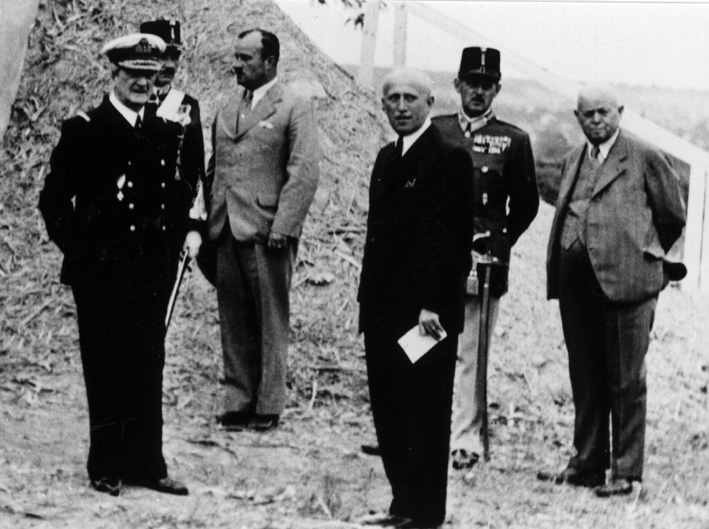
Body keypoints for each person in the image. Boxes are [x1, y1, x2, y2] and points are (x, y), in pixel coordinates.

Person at [38, 33, 202, 497]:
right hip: (102, 274)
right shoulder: (85, 129)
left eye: (150, 76)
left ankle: (147, 464)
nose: (142, 84)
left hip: (149, 272)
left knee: (148, 365)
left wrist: (177, 238)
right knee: (105, 365)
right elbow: (53, 201)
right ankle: (106, 464)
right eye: (133, 74)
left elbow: (175, 195)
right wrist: (82, 254)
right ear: (115, 73)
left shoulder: (165, 131)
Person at [541, 84, 686, 497]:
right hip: (577, 287)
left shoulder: (643, 156)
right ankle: (587, 463)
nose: (596, 120)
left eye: (604, 112)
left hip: (629, 286)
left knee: (626, 381)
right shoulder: (574, 158)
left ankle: (626, 474)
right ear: (577, 118)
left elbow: (672, 215)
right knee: (585, 376)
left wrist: (642, 254)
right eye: (588, 114)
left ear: (620, 111)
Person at [358, 69, 473, 529]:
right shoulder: (387, 157)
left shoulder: (449, 159)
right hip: (383, 309)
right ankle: (402, 503)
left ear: (430, 103)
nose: (401, 107)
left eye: (411, 98)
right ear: (383, 105)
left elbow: (453, 239)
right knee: (390, 408)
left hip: (425, 315)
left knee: (423, 410)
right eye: (393, 99)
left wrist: (434, 304)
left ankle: (425, 512)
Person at [205, 29, 319, 432]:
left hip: (267, 232)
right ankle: (238, 398)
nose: (236, 64)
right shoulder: (227, 105)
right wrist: (209, 217)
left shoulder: (294, 106)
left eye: (246, 58)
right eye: (236, 56)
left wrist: (284, 225)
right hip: (225, 228)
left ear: (270, 62)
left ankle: (268, 404)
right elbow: (215, 166)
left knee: (270, 320)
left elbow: (303, 171)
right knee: (234, 319)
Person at [433, 47, 539, 470]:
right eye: (471, 83)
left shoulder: (513, 140)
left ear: (497, 89)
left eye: (486, 84)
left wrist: (498, 242)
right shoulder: (434, 130)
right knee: (424, 343)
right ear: (457, 85)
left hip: (483, 265)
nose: (478, 91)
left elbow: (526, 204)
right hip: (434, 263)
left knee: (470, 354)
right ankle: (416, 430)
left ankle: (465, 439)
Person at [140, 18, 207, 233]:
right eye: (162, 56)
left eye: (175, 56)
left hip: (172, 221)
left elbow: (195, 168)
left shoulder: (187, 105)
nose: (169, 64)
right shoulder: (128, 102)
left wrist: (192, 225)